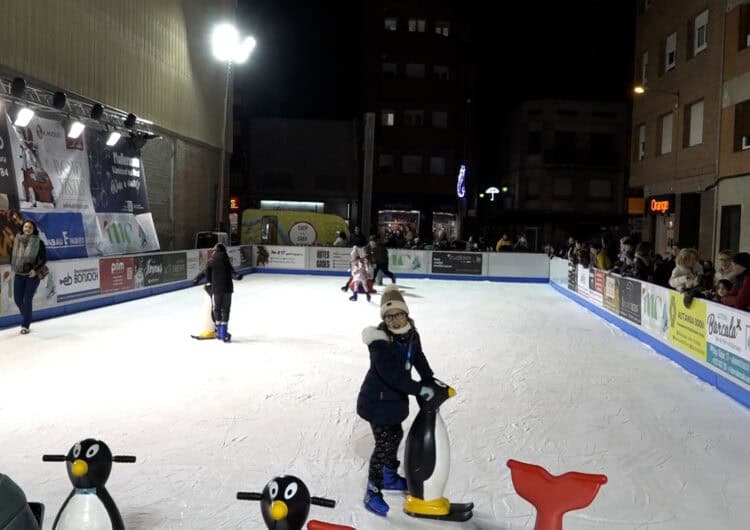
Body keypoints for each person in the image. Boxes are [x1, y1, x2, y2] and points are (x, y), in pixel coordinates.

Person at [357, 286, 445, 516]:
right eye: (389, 316)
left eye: (398, 314)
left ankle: (388, 476)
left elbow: (418, 357)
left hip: (393, 401)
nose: (395, 320)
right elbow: (394, 377)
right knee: (384, 443)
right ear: (383, 319)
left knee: (395, 435)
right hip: (376, 401)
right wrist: (419, 389)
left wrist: (429, 379)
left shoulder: (412, 334)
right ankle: (372, 490)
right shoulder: (379, 342)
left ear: (406, 313)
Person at [192, 243, 243, 341]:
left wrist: (198, 280)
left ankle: (219, 331)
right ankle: (223, 331)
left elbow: (205, 274)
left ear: (215, 251)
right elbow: (233, 273)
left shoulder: (211, 261)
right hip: (228, 289)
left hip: (217, 289)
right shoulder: (226, 261)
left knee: (217, 309)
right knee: (226, 309)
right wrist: (237, 276)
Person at [10, 220, 47, 335]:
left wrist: (35, 270)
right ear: (22, 228)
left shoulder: (38, 242)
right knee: (17, 299)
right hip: (19, 274)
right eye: (26, 227)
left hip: (32, 275)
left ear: (33, 229)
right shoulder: (17, 240)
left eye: (30, 227)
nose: (27, 229)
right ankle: (27, 315)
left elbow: (43, 258)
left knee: (27, 299)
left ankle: (25, 324)